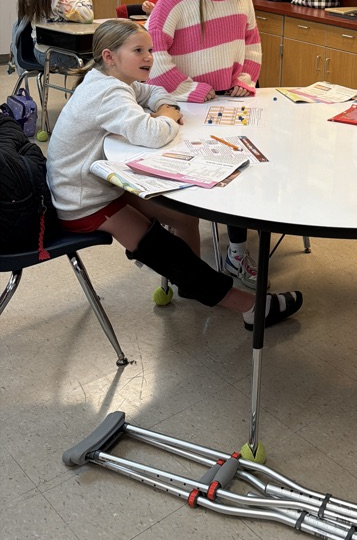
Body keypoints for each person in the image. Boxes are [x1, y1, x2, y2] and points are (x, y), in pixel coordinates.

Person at [46, 19, 302, 331]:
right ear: (110, 56)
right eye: (138, 50)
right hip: (84, 201)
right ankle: (250, 307)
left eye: (150, 50)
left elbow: (153, 91)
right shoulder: (108, 92)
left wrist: (163, 104)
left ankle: (190, 285)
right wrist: (167, 115)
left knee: (183, 217)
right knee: (163, 250)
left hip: (99, 185)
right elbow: (152, 134)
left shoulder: (111, 79)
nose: (149, 57)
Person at [147, 0, 262, 289]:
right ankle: (176, 256)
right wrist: (188, 88)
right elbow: (153, 51)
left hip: (228, 101)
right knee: (194, 183)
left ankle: (236, 252)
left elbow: (252, 41)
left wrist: (246, 79)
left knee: (240, 171)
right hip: (186, 106)